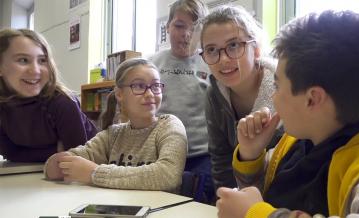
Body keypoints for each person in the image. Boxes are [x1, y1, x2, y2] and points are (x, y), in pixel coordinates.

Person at [216, 10, 359, 218]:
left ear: (312, 99)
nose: (273, 97)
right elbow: (257, 195)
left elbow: (256, 209)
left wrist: (257, 215)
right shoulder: (298, 138)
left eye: (277, 86)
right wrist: (250, 154)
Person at [45, 58, 188, 192]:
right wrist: (59, 163)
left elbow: (168, 175)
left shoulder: (169, 126)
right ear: (120, 94)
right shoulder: (112, 135)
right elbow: (55, 167)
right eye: (139, 86)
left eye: (155, 86)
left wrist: (94, 173)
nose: (150, 93)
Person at [200, 5, 280, 190]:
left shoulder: (285, 89)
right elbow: (221, 162)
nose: (223, 59)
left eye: (234, 45)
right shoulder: (214, 95)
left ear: (257, 49)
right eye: (211, 50)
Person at [149, 0, 214, 202]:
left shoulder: (212, 63)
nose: (186, 34)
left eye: (194, 29)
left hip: (201, 154)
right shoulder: (151, 63)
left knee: (197, 199)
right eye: (179, 26)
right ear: (167, 27)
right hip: (160, 153)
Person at [0, 28, 97, 162]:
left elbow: (76, 159)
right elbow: (10, 154)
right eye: (23, 60)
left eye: (42, 60)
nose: (35, 70)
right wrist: (54, 152)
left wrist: (30, 154)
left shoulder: (63, 102)